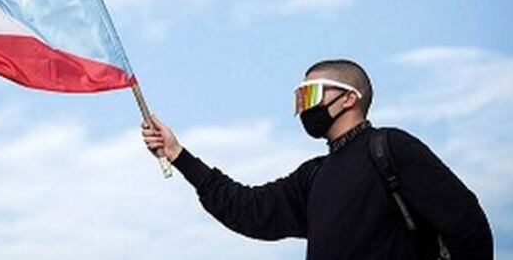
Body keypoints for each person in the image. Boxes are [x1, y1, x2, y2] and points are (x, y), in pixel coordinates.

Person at [141, 59, 493, 259]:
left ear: (349, 99)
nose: (304, 106)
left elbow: (469, 228)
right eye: (299, 97)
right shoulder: (313, 177)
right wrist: (179, 154)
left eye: (310, 93)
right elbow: (248, 209)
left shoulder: (392, 148)